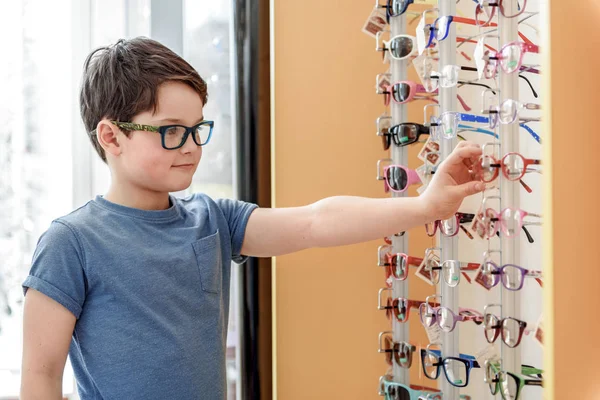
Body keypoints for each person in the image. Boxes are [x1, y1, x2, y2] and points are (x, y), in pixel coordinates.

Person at [20, 37, 484, 400]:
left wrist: (427, 206)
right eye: (171, 132)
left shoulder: (212, 219)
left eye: (198, 129)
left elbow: (315, 222)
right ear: (111, 136)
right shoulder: (71, 242)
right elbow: (40, 378)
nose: (192, 146)